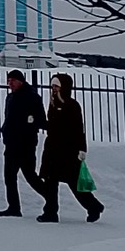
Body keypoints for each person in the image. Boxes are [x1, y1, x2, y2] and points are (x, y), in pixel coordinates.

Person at [37, 73, 104, 223]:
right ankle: (50, 213)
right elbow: (53, 127)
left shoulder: (72, 105)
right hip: (52, 150)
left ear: (64, 87)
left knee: (74, 183)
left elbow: (78, 129)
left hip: (67, 151)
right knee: (50, 182)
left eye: (57, 86)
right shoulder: (53, 104)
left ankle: (94, 206)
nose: (54, 89)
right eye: (53, 86)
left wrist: (82, 148)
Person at [0, 69, 47, 216]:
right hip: (11, 143)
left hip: (25, 143)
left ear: (20, 81)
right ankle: (14, 207)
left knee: (30, 175)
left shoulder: (31, 97)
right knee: (9, 176)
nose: (10, 84)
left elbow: (40, 119)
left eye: (12, 80)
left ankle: (50, 197)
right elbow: (9, 118)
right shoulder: (11, 98)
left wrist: (30, 123)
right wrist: (5, 130)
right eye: (8, 81)